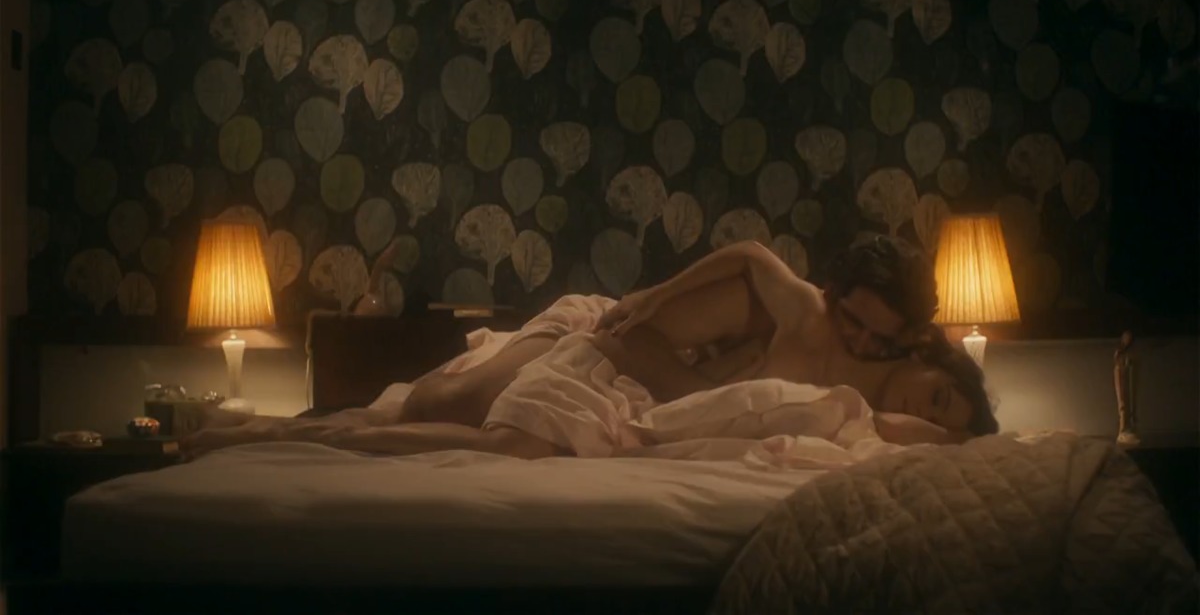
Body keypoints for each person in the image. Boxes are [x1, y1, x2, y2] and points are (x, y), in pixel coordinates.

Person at [183, 238, 997, 458]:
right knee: (440, 402)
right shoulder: (800, 307)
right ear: (835, 296)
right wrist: (656, 293)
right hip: (601, 330)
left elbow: (937, 433)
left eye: (878, 335)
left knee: (457, 425)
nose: (859, 338)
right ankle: (278, 430)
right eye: (853, 318)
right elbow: (748, 254)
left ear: (910, 338)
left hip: (635, 367)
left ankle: (280, 433)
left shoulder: (879, 386)